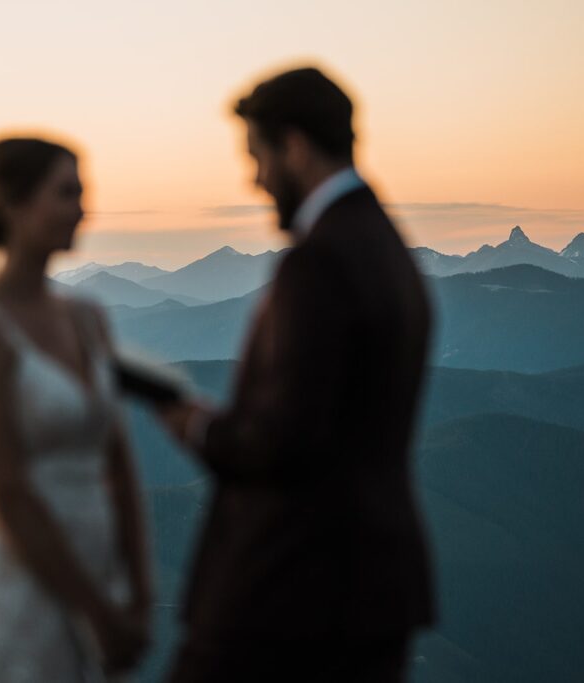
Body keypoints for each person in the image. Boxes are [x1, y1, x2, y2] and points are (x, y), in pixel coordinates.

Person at [159, 67, 436, 681]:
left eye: (258, 156)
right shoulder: (390, 249)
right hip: (375, 592)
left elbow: (282, 442)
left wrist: (193, 425)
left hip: (292, 596)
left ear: (295, 146)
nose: (254, 179)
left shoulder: (320, 262)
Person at [0, 136, 152, 682]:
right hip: (18, 581)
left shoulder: (88, 317)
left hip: (99, 569)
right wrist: (96, 613)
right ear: (13, 205)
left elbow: (120, 460)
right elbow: (6, 488)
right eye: (65, 193)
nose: (82, 208)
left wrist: (140, 589)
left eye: (82, 192)